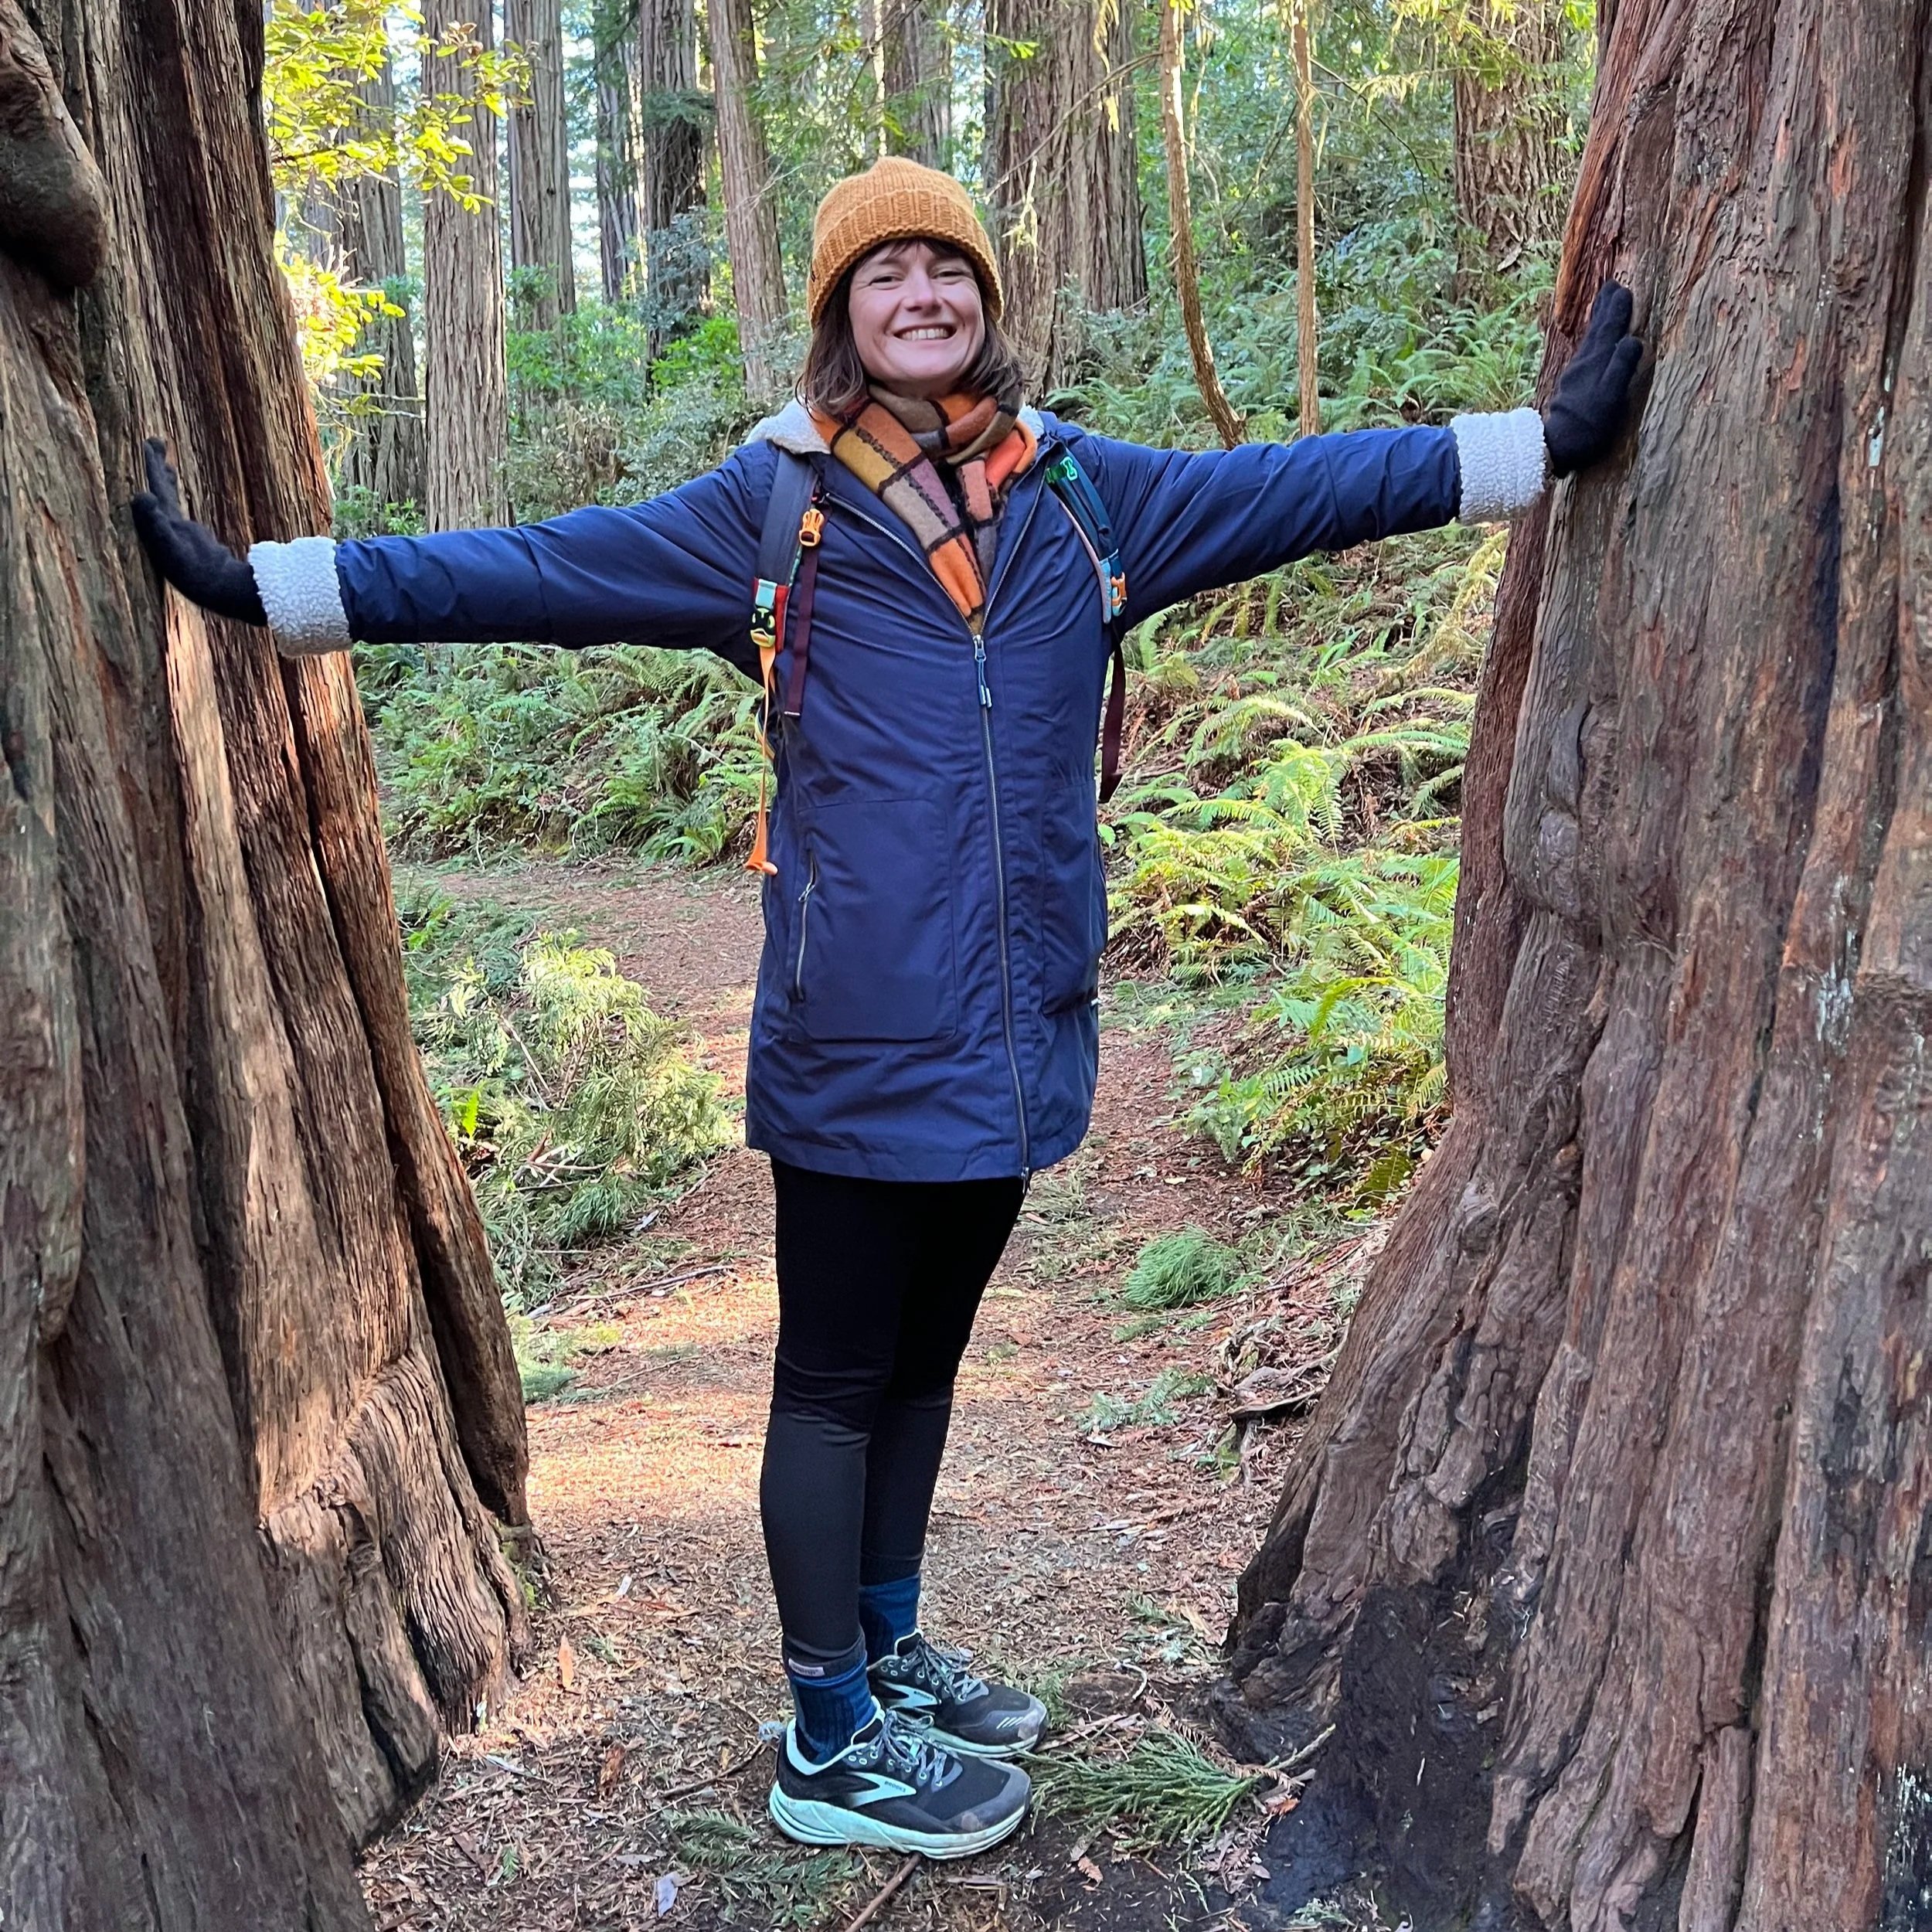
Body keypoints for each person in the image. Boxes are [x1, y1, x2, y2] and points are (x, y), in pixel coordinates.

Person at [132, 156, 1641, 1861]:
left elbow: (1310, 484)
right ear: (842, 315)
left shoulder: (1085, 499)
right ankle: (825, 1729)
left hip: (1017, 1019)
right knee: (839, 1376)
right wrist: (257, 583)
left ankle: (891, 1644)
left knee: (924, 1364)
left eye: (948, 268)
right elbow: (517, 573)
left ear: (985, 300)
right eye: (885, 273)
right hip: (852, 1022)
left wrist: (1538, 444)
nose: (922, 293)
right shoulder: (768, 515)